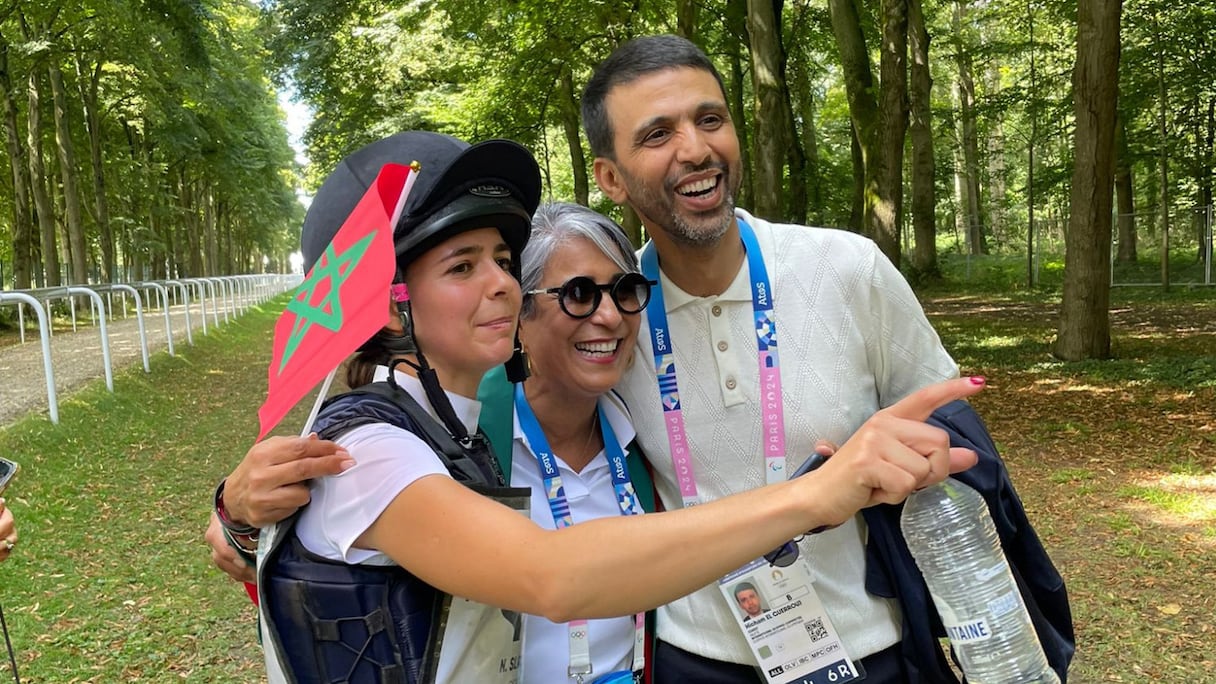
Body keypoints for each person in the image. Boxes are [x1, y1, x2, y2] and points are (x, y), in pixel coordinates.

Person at [211, 129, 987, 684]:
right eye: (461, 265)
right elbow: (552, 574)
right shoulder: (368, 448)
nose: (500, 286)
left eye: (503, 261)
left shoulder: (490, 424)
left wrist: (243, 522)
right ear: (384, 305)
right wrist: (817, 495)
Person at [581, 35, 1070, 683]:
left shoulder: (847, 269)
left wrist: (926, 456)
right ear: (610, 177)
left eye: (710, 119)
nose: (694, 149)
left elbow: (947, 425)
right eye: (656, 134)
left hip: (866, 649)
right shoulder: (610, 319)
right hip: (692, 657)